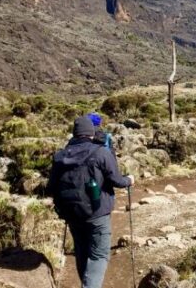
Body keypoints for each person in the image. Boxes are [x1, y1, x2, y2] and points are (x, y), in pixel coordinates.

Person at [46, 116, 133, 288]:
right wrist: (129, 179)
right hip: (96, 213)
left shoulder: (60, 156)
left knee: (82, 251)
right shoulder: (101, 152)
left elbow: (50, 188)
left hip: (71, 213)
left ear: (75, 133)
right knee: (99, 255)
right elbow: (117, 180)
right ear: (91, 133)